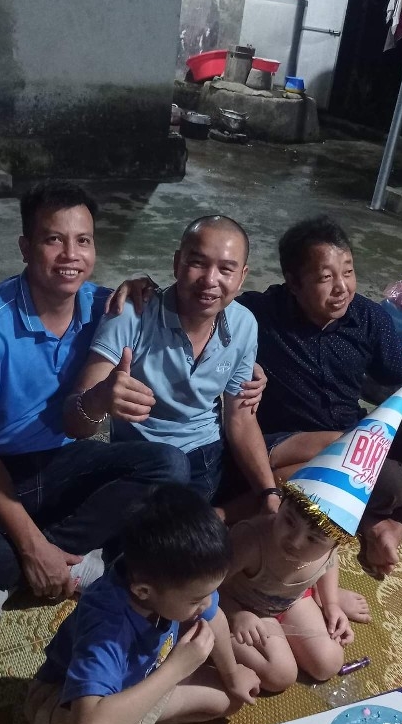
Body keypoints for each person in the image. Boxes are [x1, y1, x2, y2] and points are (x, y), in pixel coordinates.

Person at [115, 215, 402, 583]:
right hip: (283, 442)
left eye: (348, 272)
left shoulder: (369, 318)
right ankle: (231, 514)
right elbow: (205, 293)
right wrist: (145, 288)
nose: (342, 288)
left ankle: (393, 525)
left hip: (350, 432)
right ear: (293, 283)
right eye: (325, 278)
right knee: (389, 481)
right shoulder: (260, 313)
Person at [0, 180, 190, 626]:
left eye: (83, 241)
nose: (71, 255)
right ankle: (37, 559)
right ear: (25, 248)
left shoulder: (106, 306)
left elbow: (190, 313)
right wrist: (30, 546)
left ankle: (31, 563)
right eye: (54, 239)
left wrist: (248, 368)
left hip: (61, 464)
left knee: (169, 466)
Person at [24, 484, 260, 724]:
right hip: (61, 703)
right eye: (196, 599)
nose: (207, 603)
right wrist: (176, 669)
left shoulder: (172, 574)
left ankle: (129, 715)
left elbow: (212, 616)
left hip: (135, 684)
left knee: (226, 700)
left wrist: (232, 673)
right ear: (143, 592)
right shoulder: (107, 626)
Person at [64, 215, 280, 511]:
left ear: (242, 277)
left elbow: (240, 418)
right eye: (198, 263)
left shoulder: (244, 325)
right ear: (177, 263)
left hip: (205, 457)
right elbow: (74, 423)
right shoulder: (132, 313)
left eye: (226, 269)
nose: (210, 280)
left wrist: (269, 493)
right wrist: (99, 399)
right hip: (143, 461)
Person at [219, 492, 353, 693]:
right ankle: (215, 642)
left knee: (329, 663)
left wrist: (331, 604)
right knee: (280, 675)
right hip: (242, 607)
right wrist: (235, 614)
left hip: (293, 601)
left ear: (335, 543)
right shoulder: (250, 539)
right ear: (281, 505)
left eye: (312, 538)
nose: (295, 541)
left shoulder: (330, 545)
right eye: (290, 521)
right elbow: (206, 587)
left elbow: (330, 563)